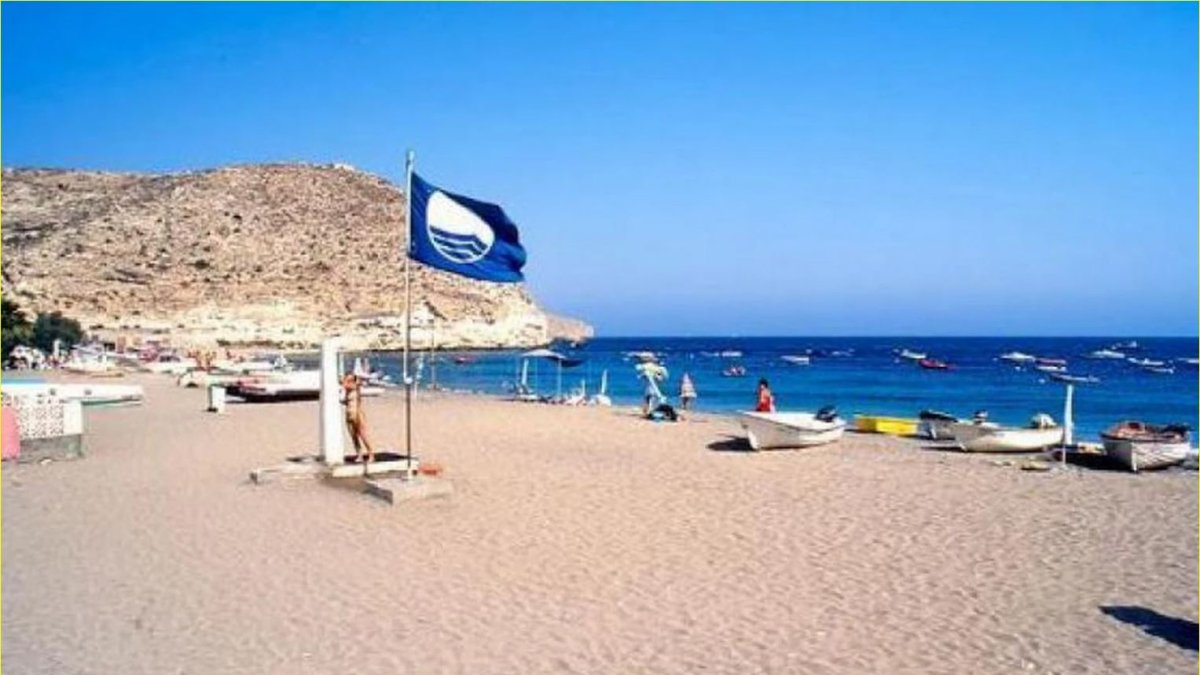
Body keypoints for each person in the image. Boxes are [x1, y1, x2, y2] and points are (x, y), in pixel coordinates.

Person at [342, 373, 375, 463]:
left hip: (357, 413)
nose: (347, 381)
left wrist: (347, 381)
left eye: (349, 379)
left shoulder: (354, 387)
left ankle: (371, 454)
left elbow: (347, 385)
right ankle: (359, 454)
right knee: (354, 436)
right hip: (349, 413)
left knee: (363, 435)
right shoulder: (347, 391)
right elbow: (346, 401)